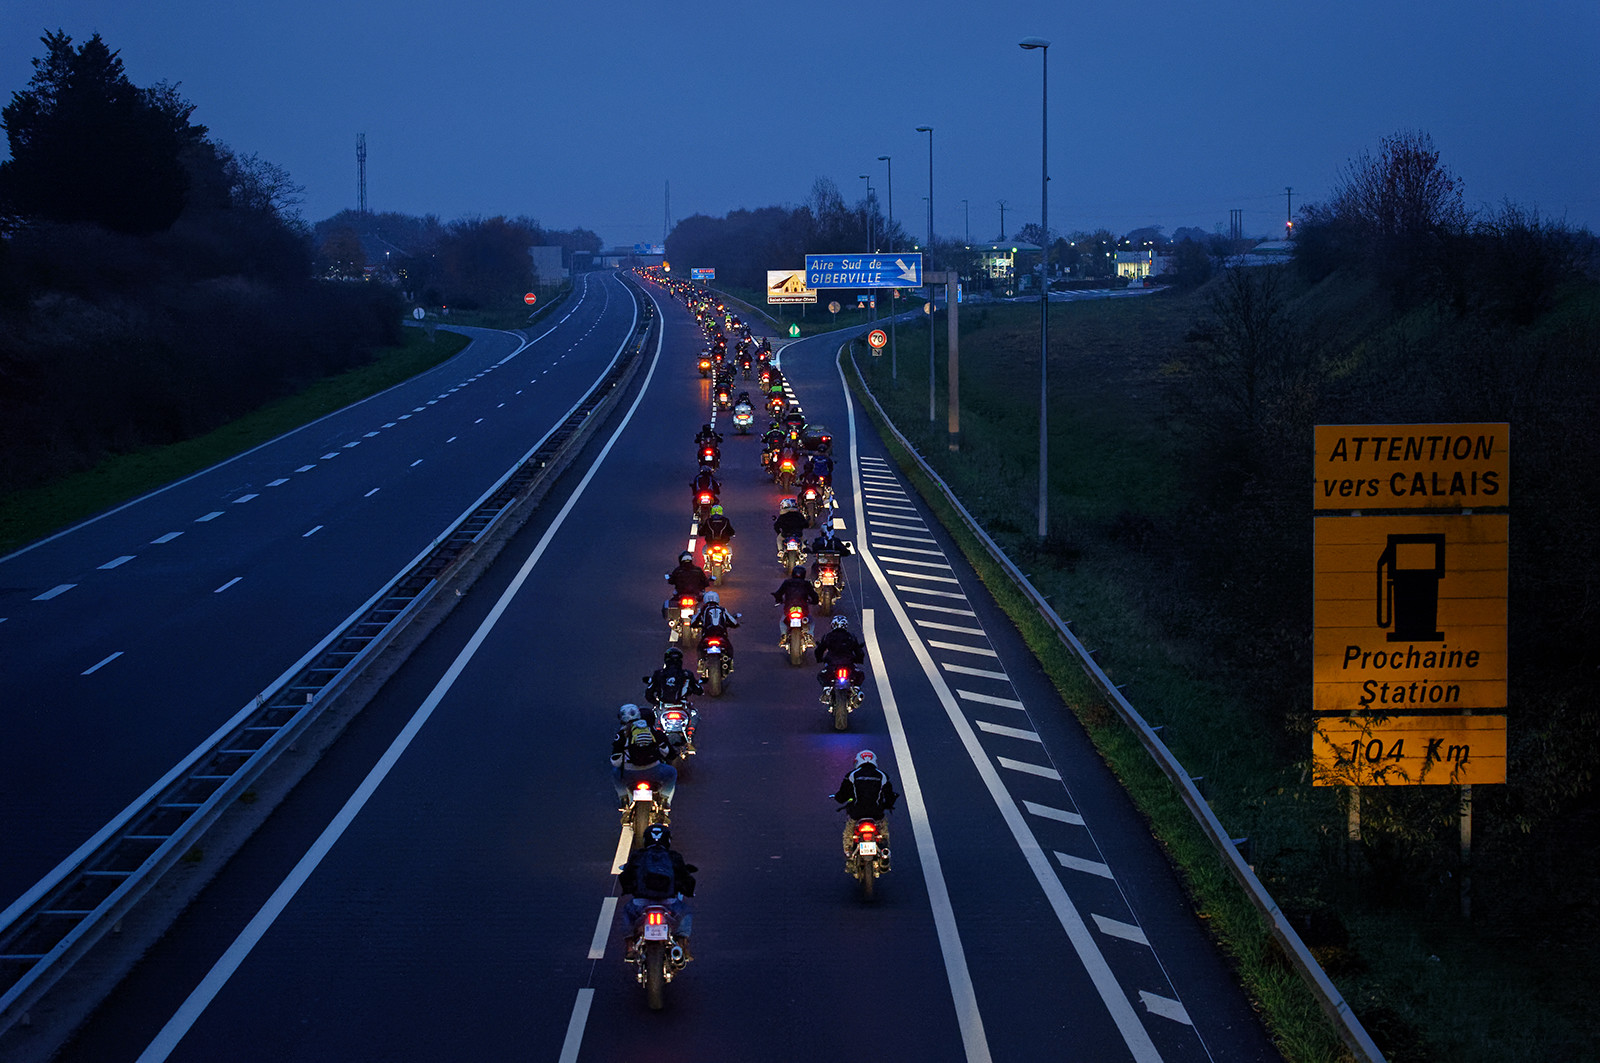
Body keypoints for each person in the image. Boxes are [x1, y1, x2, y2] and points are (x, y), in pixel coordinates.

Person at [618, 823, 697, 961]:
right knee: (686, 912)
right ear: (667, 840)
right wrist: (689, 891)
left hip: (640, 904)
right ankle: (682, 945)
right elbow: (685, 878)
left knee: (627, 912)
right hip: (669, 903)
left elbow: (626, 877)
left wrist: (628, 889)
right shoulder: (674, 856)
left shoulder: (637, 856)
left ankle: (630, 945)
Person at [831, 749, 899, 870]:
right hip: (876, 812)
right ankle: (885, 854)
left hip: (857, 812)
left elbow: (842, 795)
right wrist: (888, 804)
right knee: (883, 832)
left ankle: (849, 855)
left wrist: (838, 798)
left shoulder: (852, 775)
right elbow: (889, 796)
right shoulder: (882, 775)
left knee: (848, 832)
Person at [611, 703, 677, 815]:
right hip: (654, 771)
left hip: (629, 774)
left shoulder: (620, 735)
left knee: (615, 773)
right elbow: (669, 753)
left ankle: (623, 799)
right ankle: (665, 801)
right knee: (672, 773)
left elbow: (615, 762)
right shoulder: (655, 732)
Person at [692, 590, 740, 671]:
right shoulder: (722, 610)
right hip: (721, 635)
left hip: (707, 635)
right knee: (729, 648)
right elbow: (733, 622)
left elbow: (694, 622)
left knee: (700, 647)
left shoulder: (703, 610)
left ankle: (700, 663)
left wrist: (694, 625)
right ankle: (730, 663)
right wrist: (735, 625)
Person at [771, 565, 819, 643]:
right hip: (803, 608)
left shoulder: (787, 582)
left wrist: (778, 600)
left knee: (783, 621)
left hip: (789, 608)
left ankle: (783, 635)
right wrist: (814, 601)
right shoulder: (806, 584)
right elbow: (814, 595)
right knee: (811, 621)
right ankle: (810, 635)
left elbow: (779, 593)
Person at [663, 550, 712, 623]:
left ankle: (674, 620)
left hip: (681, 594)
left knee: (672, 601)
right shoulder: (698, 570)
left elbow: (671, 581)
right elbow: (705, 582)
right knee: (705, 603)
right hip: (696, 594)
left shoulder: (678, 570)